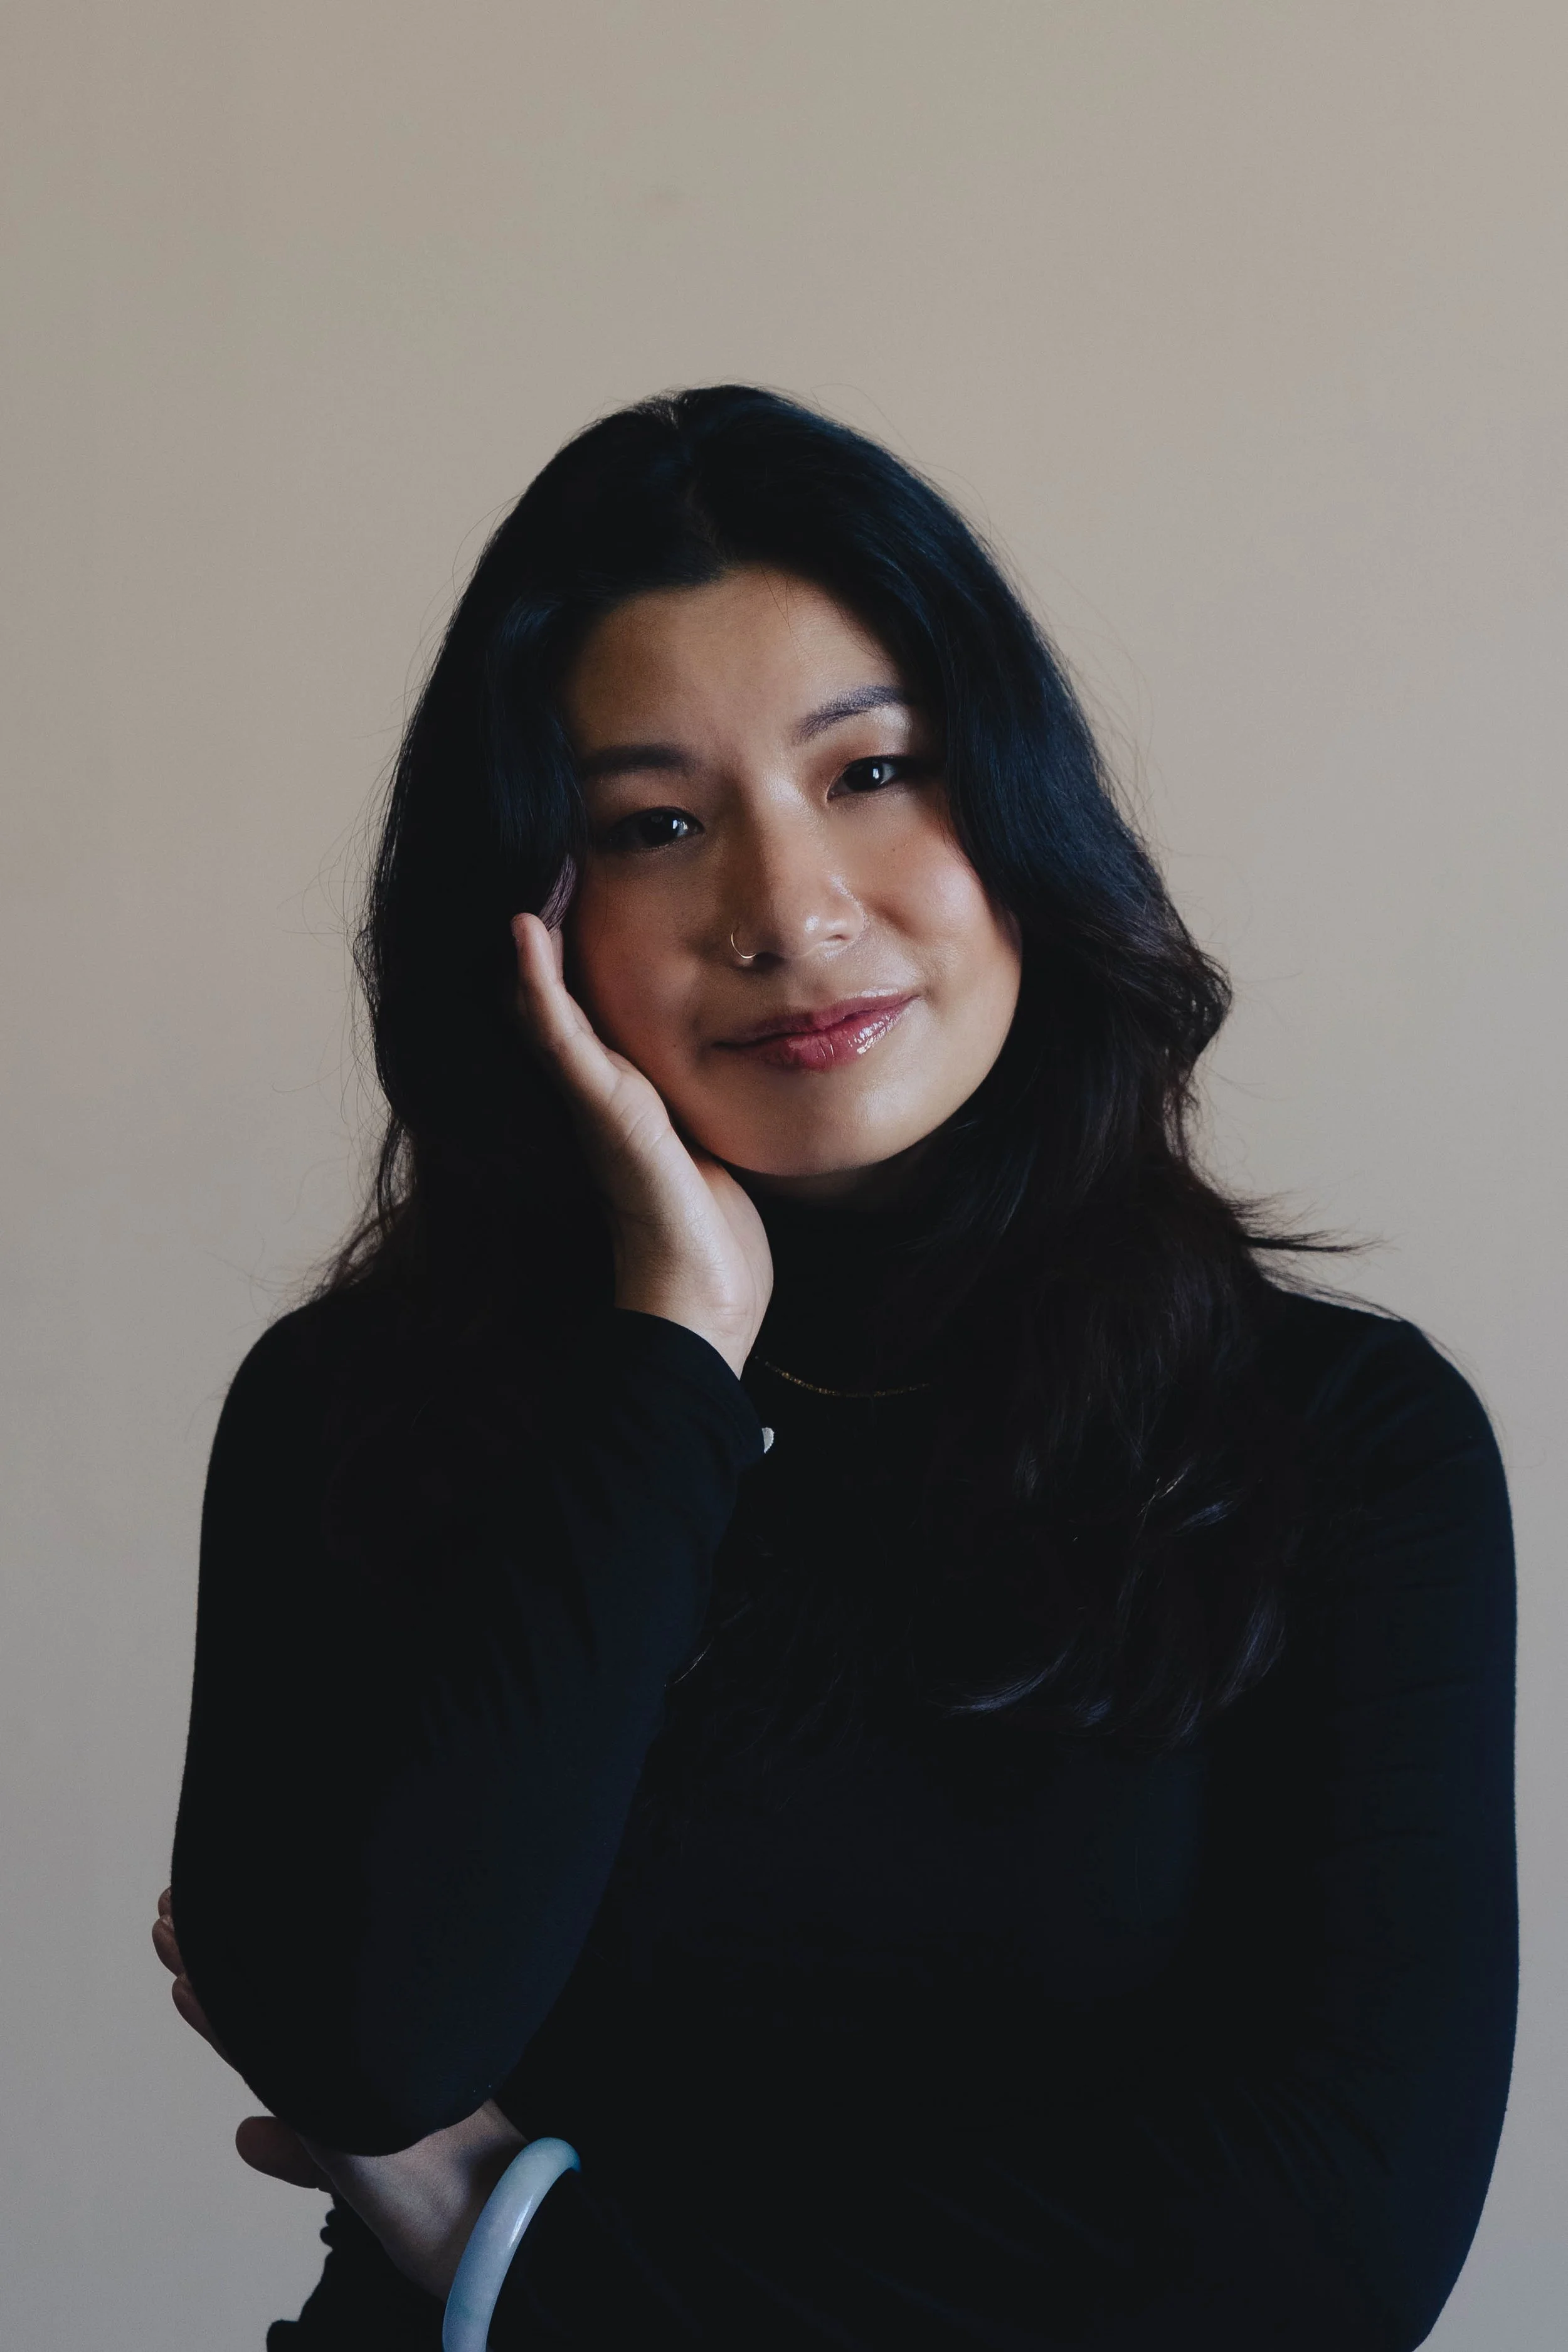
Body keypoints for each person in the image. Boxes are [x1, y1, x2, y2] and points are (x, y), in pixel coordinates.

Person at [156, 386, 1516, 2349]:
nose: (787, 912)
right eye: (656, 823)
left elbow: (1325, 2254)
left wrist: (515, 2248)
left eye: (871, 771)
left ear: (1019, 815)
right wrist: (672, 1356)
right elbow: (371, 2049)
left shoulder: (1333, 1440)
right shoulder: (355, 1411)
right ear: (531, 913)